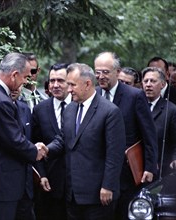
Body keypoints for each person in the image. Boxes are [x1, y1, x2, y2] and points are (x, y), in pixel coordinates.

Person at [0, 52, 47, 220]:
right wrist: (35, 151)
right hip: (0, 185)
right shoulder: (0, 101)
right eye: (25, 77)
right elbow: (14, 140)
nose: (26, 82)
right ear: (14, 75)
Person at [46, 63, 126, 220]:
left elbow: (114, 154)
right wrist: (46, 149)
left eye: (72, 85)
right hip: (73, 194)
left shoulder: (110, 112)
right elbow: (63, 140)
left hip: (99, 194)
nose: (68, 89)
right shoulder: (69, 109)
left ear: (88, 84)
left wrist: (107, 186)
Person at [94, 52, 158, 219]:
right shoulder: (92, 94)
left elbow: (149, 134)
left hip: (126, 172)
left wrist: (150, 167)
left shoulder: (134, 96)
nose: (101, 76)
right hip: (97, 172)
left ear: (117, 71)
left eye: (105, 72)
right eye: (97, 72)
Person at [31, 63, 71, 220]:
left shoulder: (81, 106)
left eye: (60, 80)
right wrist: (41, 174)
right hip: (50, 183)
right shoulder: (40, 109)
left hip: (78, 184)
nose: (55, 85)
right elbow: (36, 143)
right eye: (52, 80)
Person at [141, 67, 176, 177]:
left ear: (162, 84)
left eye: (153, 81)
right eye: (146, 81)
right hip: (134, 166)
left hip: (160, 169)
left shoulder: (172, 111)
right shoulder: (134, 106)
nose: (148, 84)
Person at [10, 86, 36, 220]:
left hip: (26, 185)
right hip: (5, 186)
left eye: (18, 86)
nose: (14, 89)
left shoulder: (24, 108)